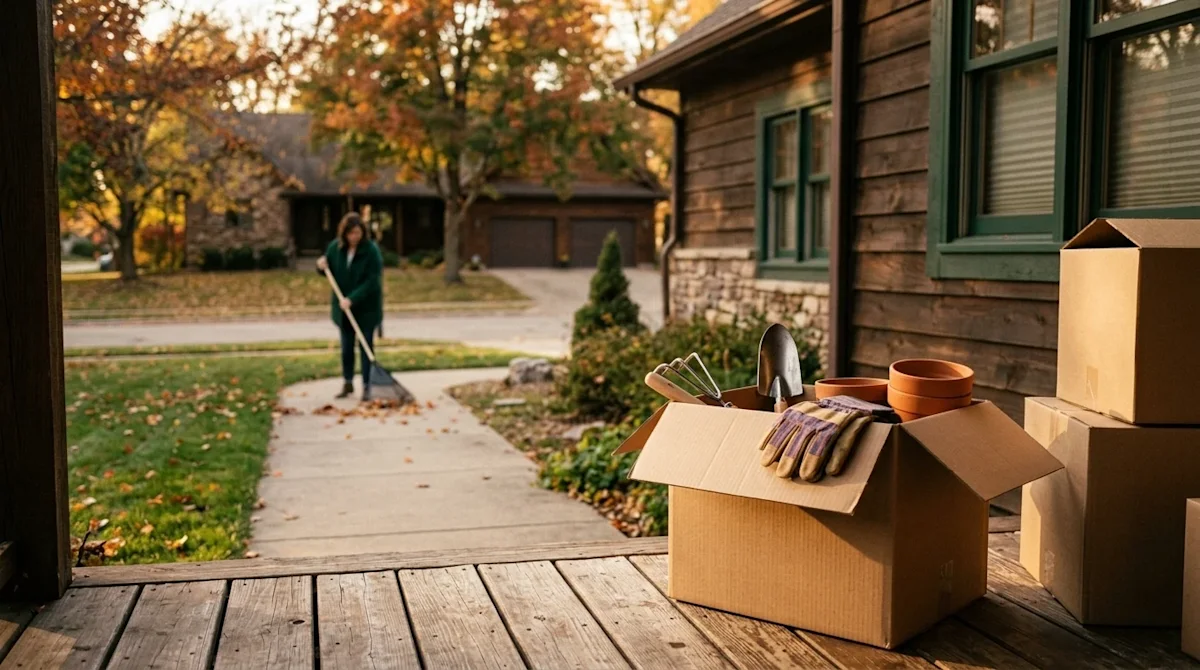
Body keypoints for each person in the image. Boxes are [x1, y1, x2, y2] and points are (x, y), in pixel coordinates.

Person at [316, 213, 384, 401]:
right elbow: (327, 269)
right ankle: (347, 383)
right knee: (346, 348)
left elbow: (372, 282)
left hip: (366, 309)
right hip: (344, 311)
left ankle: (367, 386)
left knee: (365, 346)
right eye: (351, 233)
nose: (355, 237)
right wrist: (320, 266)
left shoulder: (371, 251)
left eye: (358, 232)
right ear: (344, 234)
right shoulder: (335, 248)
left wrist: (352, 299)